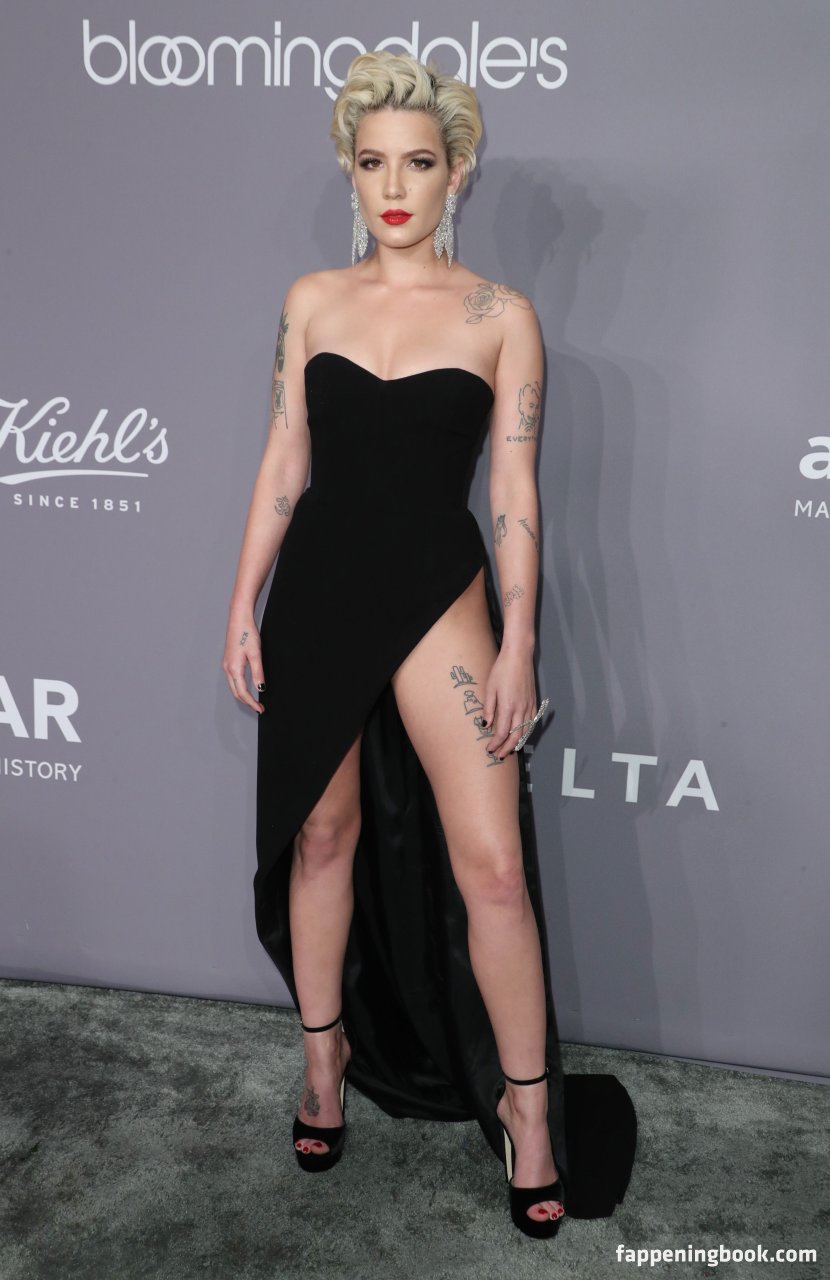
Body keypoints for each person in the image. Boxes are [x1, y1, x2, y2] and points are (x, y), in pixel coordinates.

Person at [223, 49, 567, 1240]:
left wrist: (519, 639)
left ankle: (527, 1110)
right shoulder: (311, 299)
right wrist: (240, 602)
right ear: (349, 170)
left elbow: (512, 491)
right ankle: (322, 1065)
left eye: (417, 163)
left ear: (455, 171)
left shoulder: (499, 317)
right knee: (320, 837)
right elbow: (284, 459)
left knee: (493, 869)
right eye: (372, 163)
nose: (393, 187)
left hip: (437, 593)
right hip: (319, 591)